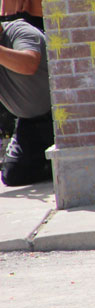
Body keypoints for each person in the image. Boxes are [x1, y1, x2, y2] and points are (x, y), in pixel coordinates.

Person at [0, 17, 53, 186]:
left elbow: (29, 64)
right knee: (13, 175)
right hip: (28, 123)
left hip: (57, 118)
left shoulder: (20, 31)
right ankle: (49, 166)